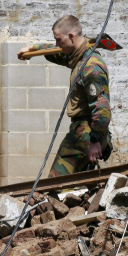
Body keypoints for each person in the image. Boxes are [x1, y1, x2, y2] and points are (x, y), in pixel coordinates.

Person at [17, 15, 112, 176]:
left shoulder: (91, 66)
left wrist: (95, 141)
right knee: (77, 183)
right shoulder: (79, 55)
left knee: (55, 183)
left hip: (87, 133)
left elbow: (102, 108)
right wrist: (33, 48)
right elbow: (58, 53)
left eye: (58, 40)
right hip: (82, 131)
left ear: (71, 37)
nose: (57, 45)